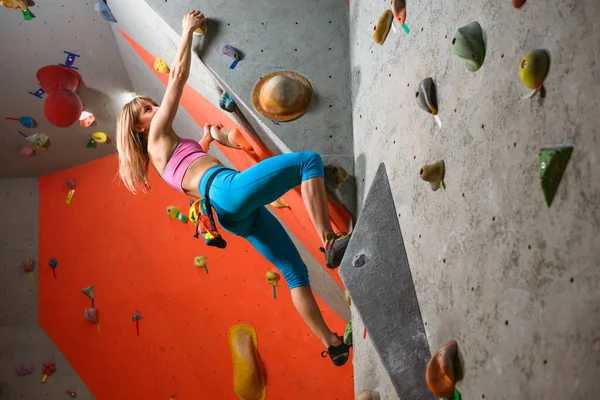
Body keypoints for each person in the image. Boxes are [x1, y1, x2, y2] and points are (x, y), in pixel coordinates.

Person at [115, 10, 352, 366]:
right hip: (226, 190)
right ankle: (329, 241)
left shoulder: (166, 155)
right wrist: (186, 32)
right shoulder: (158, 137)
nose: (155, 109)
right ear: (139, 129)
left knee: (293, 272)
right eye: (147, 111)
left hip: (227, 213)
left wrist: (206, 139)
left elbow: (193, 166)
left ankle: (332, 344)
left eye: (151, 105)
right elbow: (177, 76)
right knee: (308, 162)